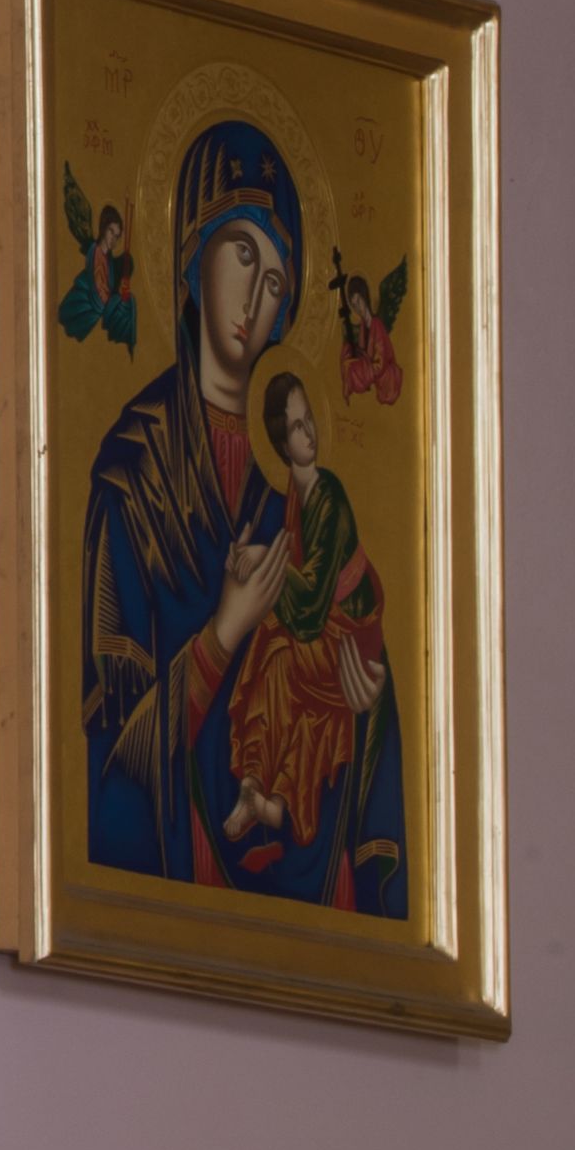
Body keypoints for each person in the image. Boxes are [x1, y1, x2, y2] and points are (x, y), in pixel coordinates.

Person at [80, 120, 407, 911]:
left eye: (278, 281)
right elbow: (106, 749)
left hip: (305, 864)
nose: (258, 296)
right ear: (192, 256)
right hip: (183, 854)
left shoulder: (296, 485)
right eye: (242, 252)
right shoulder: (133, 472)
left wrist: (361, 699)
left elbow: (353, 635)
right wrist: (222, 634)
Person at [220, 371, 396, 876]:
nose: (309, 433)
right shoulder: (295, 498)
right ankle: (259, 791)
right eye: (297, 427)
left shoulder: (329, 495)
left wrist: (264, 560)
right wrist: (252, 569)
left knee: (276, 654)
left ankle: (269, 797)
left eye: (309, 420)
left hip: (349, 636)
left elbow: (314, 602)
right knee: (275, 659)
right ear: (281, 443)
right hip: (324, 630)